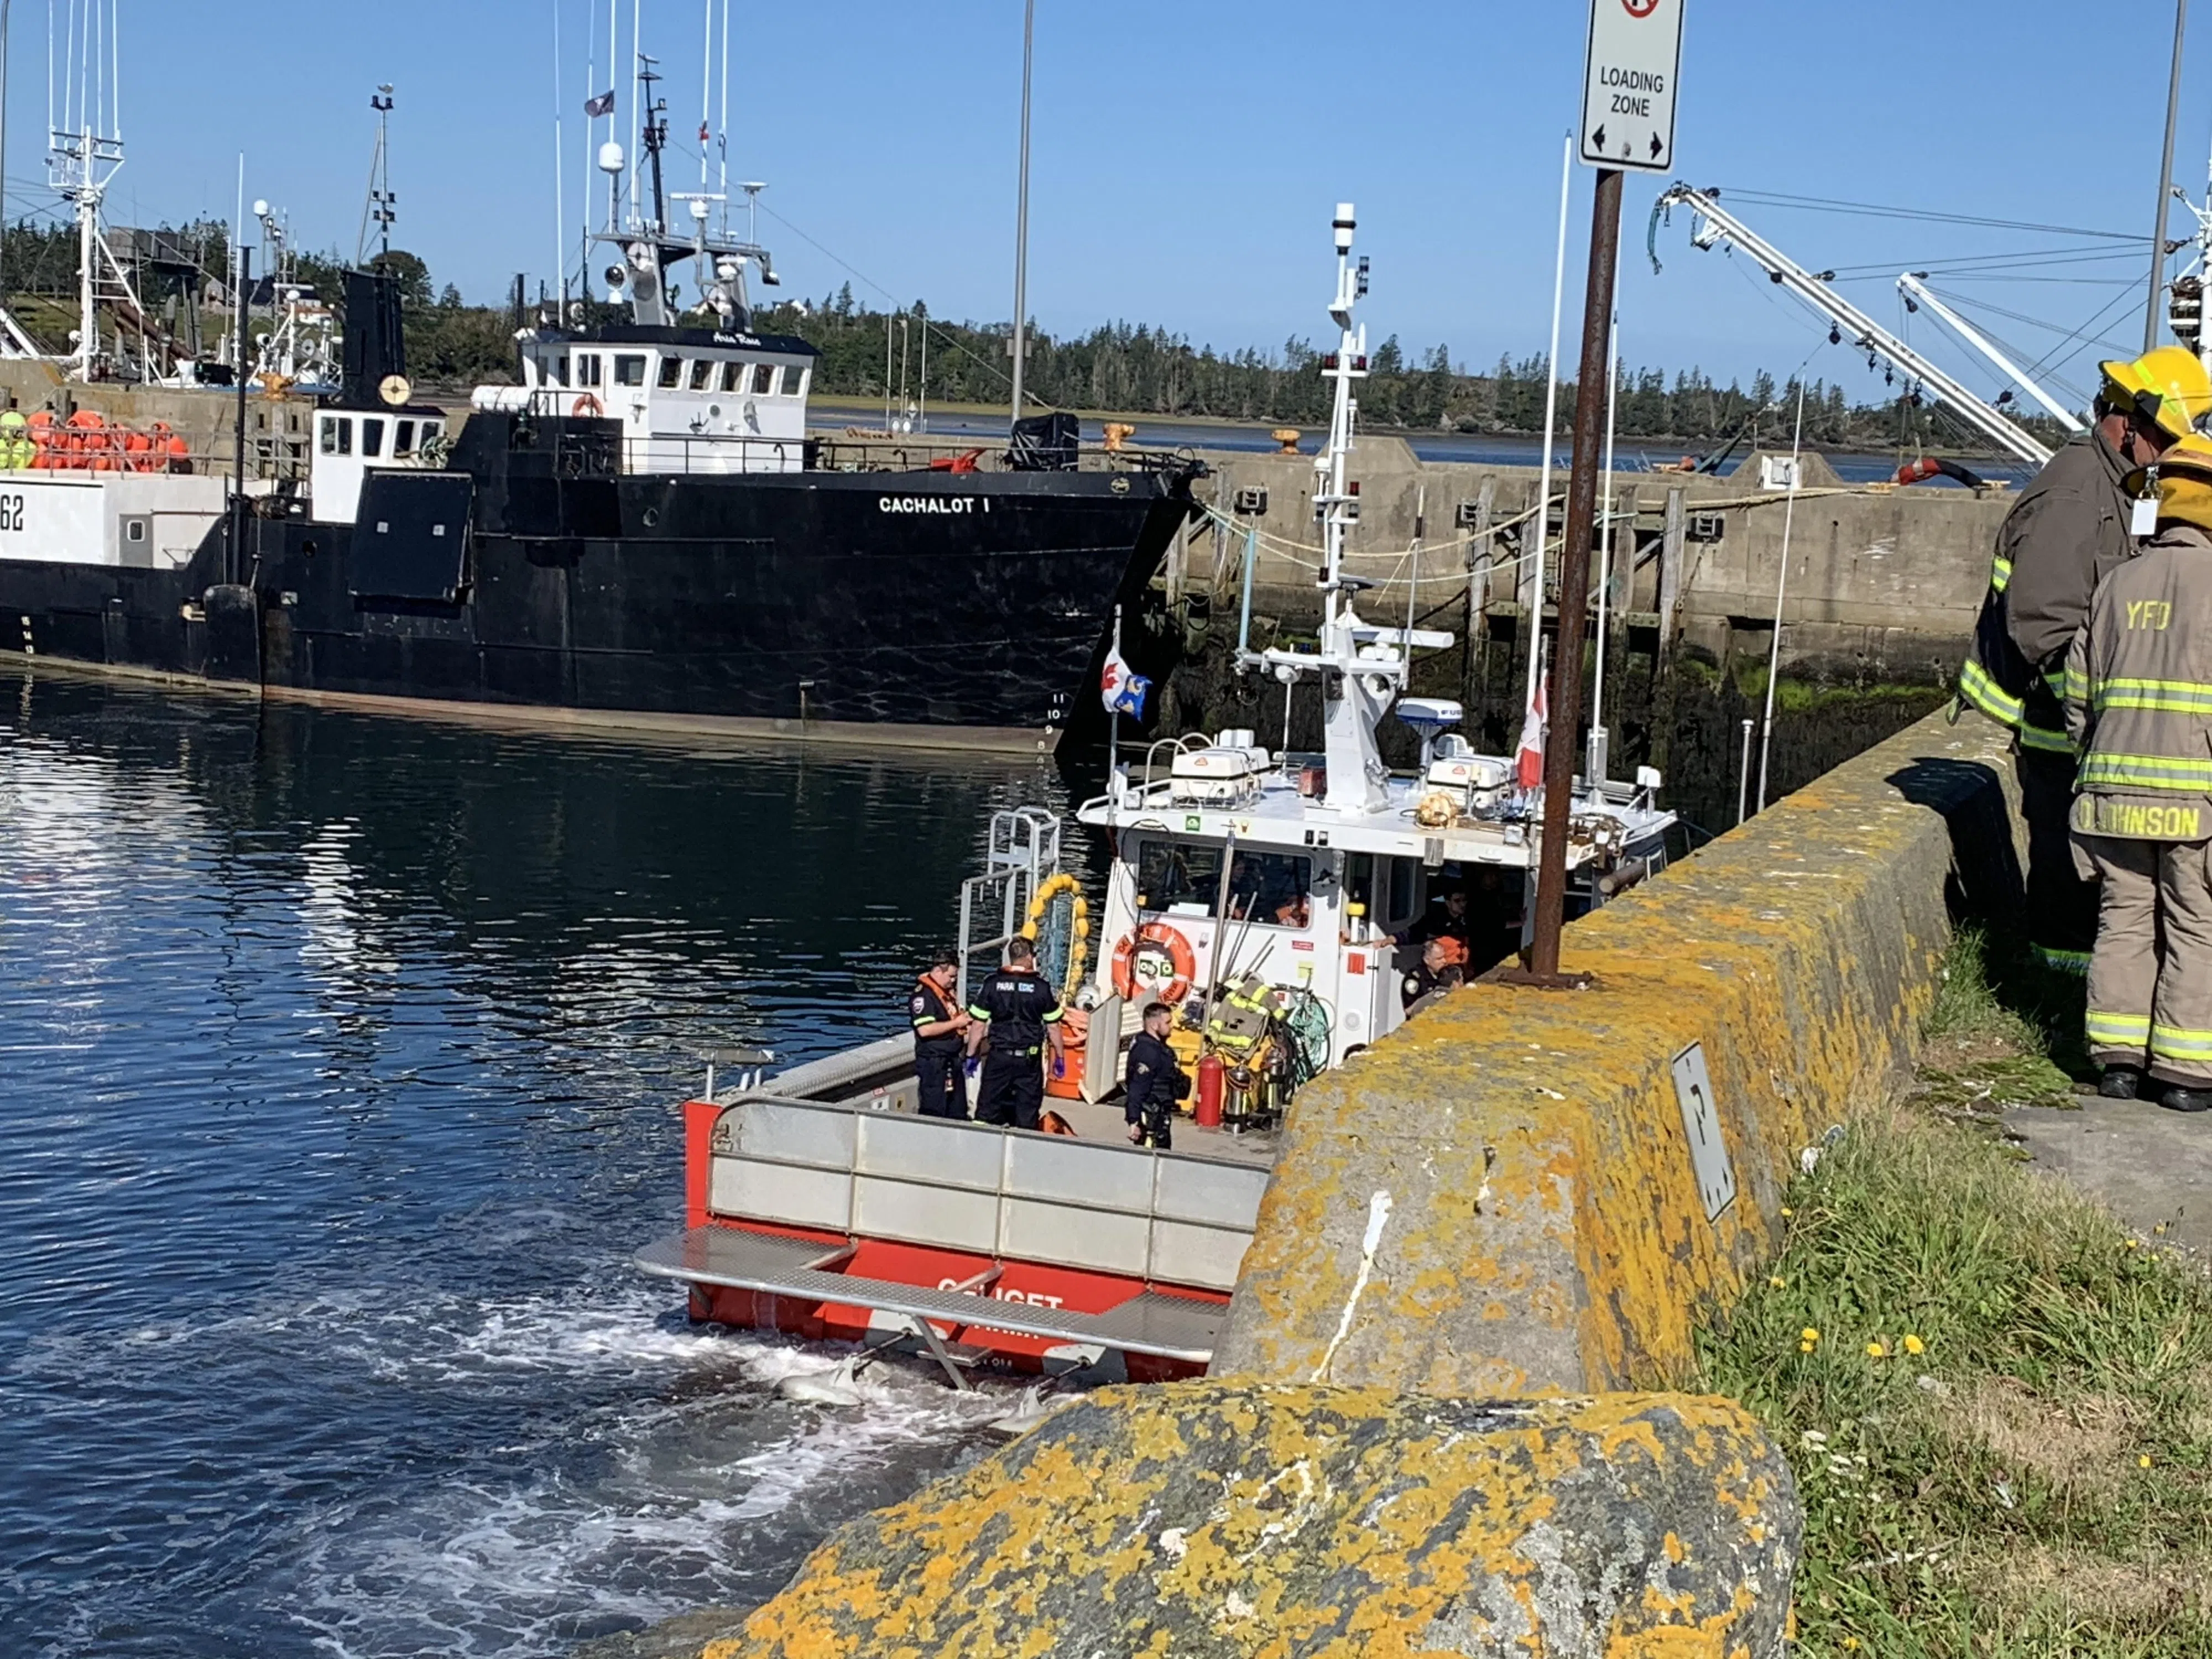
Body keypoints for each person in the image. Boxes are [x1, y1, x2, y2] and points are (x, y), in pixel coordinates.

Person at [1958, 346, 2212, 974]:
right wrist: (2099, 709)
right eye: (2165, 438)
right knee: (2067, 863)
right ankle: (2059, 987)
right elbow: (2044, 621)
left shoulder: (2119, 487)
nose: (2172, 454)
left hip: (2098, 726)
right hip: (2056, 720)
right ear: (2127, 423)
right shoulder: (2075, 492)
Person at [2067, 433, 2212, 1110]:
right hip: (2195, 802)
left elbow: (2078, 695)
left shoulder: (2116, 584)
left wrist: (2094, 765)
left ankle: (2117, 1064)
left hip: (2111, 796)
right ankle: (2184, 1075)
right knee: (2195, 925)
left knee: (2122, 919)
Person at [964, 935, 1065, 1130]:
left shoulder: (992, 984)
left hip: (999, 1056)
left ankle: (979, 1148)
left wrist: (971, 1055)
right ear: (1028, 957)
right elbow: (1053, 1028)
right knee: (1028, 1112)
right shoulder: (1041, 988)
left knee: (986, 1108)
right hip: (1029, 1060)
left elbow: (978, 1025)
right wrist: (1059, 1058)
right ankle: (1023, 1151)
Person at [908, 948, 971, 1119]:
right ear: (938, 970)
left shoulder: (946, 993)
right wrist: (956, 1023)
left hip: (952, 1059)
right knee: (934, 1109)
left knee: (957, 1111)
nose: (954, 981)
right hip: (934, 1062)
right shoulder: (923, 996)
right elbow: (925, 1029)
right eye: (951, 976)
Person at [1123, 1000, 1189, 1149]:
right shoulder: (1147, 1052)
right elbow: (1136, 1088)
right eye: (1168, 1022)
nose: (1172, 1026)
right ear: (1154, 1025)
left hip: (1161, 1114)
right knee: (1148, 1157)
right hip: (1150, 1115)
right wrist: (1134, 1122)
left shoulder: (1160, 1047)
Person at [1401, 936, 1466, 1012]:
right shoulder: (1415, 978)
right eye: (1439, 959)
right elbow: (1409, 1010)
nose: (1444, 961)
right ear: (1427, 960)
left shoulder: (1448, 973)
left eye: (1444, 957)